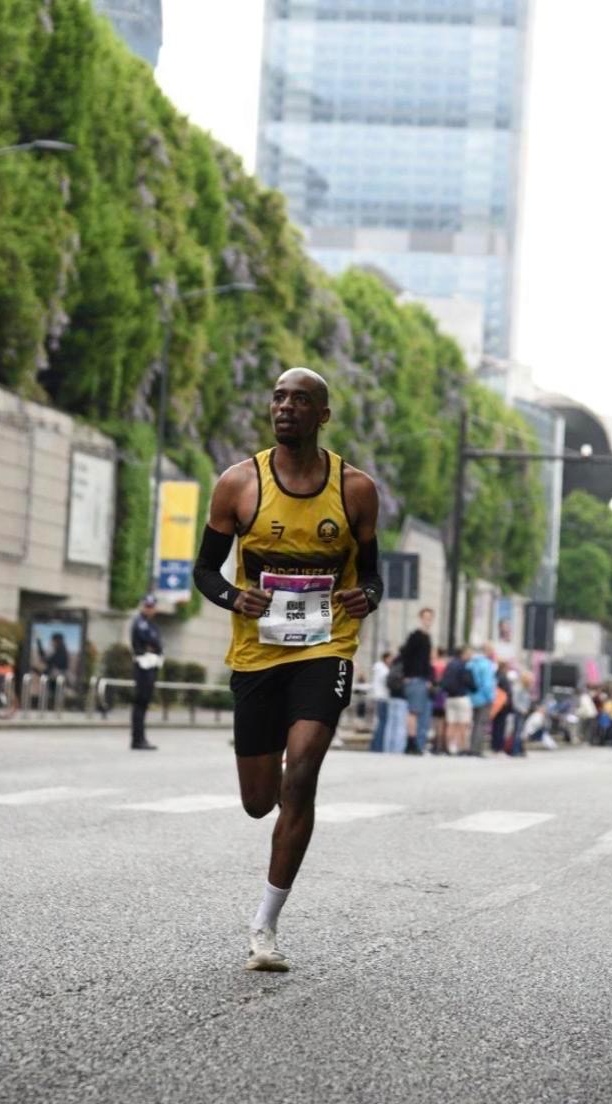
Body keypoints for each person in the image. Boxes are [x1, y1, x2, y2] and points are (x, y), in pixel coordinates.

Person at [192, 367, 381, 972]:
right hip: (257, 651)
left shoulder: (355, 490)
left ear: (322, 415)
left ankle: (264, 927)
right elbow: (204, 571)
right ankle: (271, 779)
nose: (287, 407)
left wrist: (366, 597)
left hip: (325, 647)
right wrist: (232, 598)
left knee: (302, 769)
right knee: (258, 800)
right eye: (279, 397)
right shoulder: (238, 484)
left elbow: (373, 575)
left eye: (302, 399)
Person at [129, 595, 163, 750]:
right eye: (147, 606)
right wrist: (153, 645)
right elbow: (150, 641)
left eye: (152, 606)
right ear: (143, 606)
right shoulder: (140, 623)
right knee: (140, 703)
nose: (149, 609)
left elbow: (157, 645)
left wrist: (154, 645)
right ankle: (137, 739)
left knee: (144, 704)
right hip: (143, 666)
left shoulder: (151, 624)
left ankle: (140, 738)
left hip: (151, 665)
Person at [399, 607, 435, 755]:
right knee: (413, 711)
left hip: (422, 678)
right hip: (414, 677)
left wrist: (429, 678)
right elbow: (405, 654)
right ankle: (411, 742)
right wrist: (407, 675)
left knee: (419, 711)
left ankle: (416, 742)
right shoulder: (416, 635)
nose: (428, 620)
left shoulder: (427, 637)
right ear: (421, 618)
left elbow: (426, 661)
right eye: (425, 617)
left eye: (430, 618)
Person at [441, 645, 474, 756]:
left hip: (450, 698)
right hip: (461, 697)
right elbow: (469, 682)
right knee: (463, 724)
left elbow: (443, 681)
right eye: (469, 653)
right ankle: (462, 747)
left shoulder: (449, 665)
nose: (470, 656)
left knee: (451, 724)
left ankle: (450, 747)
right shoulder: (463, 666)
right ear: (463, 654)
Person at [467, 643, 496, 757]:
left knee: (474, 724)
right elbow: (488, 684)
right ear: (487, 651)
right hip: (484, 698)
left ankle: (471, 747)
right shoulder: (486, 664)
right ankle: (477, 749)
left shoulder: (471, 663)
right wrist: (491, 697)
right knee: (481, 724)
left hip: (472, 697)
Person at [369, 650, 393, 753]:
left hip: (379, 697)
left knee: (380, 722)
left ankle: (375, 745)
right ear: (386, 658)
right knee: (382, 723)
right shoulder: (383, 670)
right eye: (391, 658)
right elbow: (387, 681)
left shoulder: (379, 668)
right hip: (382, 698)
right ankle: (378, 746)